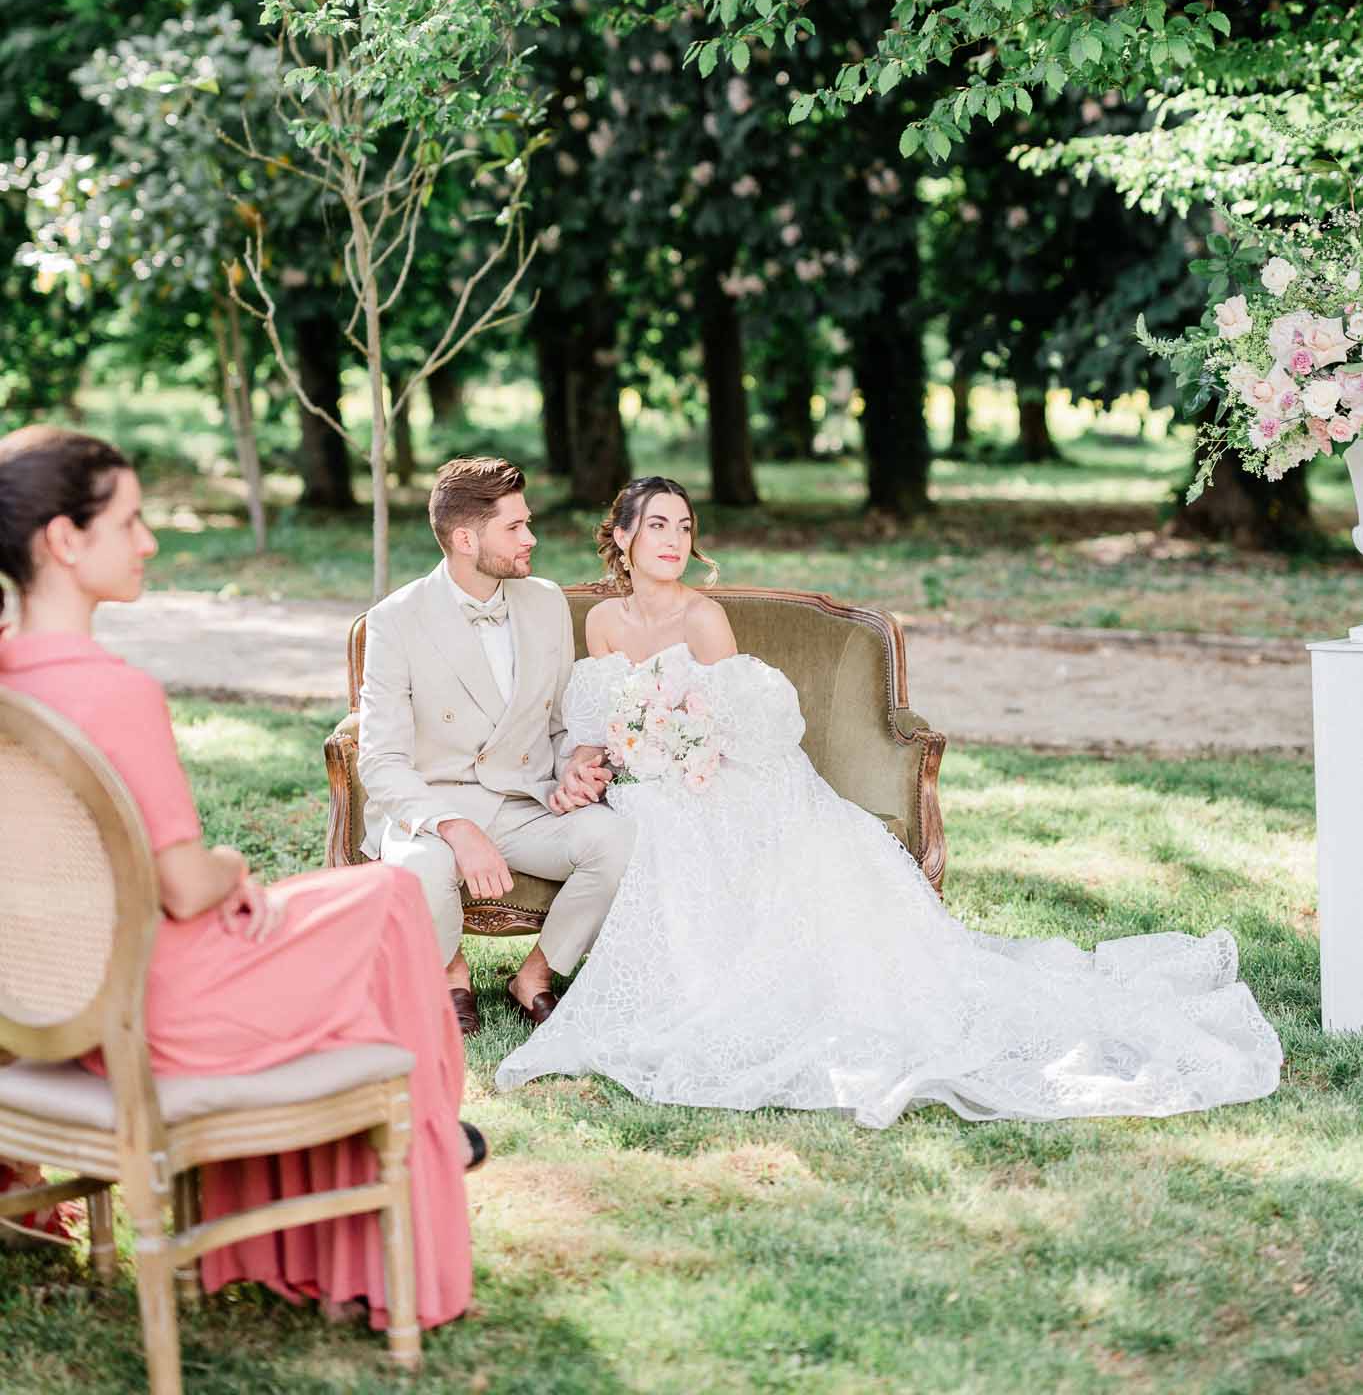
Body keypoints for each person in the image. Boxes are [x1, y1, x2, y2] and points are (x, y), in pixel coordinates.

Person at [496, 475, 1283, 1125]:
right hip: (656, 783)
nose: (672, 538)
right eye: (656, 524)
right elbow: (602, 722)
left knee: (681, 827)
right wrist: (597, 766)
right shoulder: (600, 620)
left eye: (685, 525)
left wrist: (679, 745)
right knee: (649, 819)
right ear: (624, 537)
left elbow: (736, 720)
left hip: (734, 773)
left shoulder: (703, 617)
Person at [0, 425, 476, 1330]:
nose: (148, 542)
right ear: (65, 540)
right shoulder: (112, 691)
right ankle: (408, 1180)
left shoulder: (7, 677)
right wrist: (230, 865)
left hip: (46, 1002)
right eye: (131, 522)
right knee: (387, 899)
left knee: (348, 903)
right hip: (157, 1009)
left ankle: (386, 1175)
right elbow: (185, 888)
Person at [359, 455, 635, 1036]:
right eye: (514, 527)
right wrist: (454, 827)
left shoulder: (545, 601)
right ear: (464, 538)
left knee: (619, 841)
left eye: (526, 522)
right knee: (421, 870)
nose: (530, 538)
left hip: (521, 801)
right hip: (434, 807)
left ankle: (534, 976)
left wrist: (574, 769)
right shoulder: (396, 620)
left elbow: (560, 727)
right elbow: (380, 760)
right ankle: (449, 973)